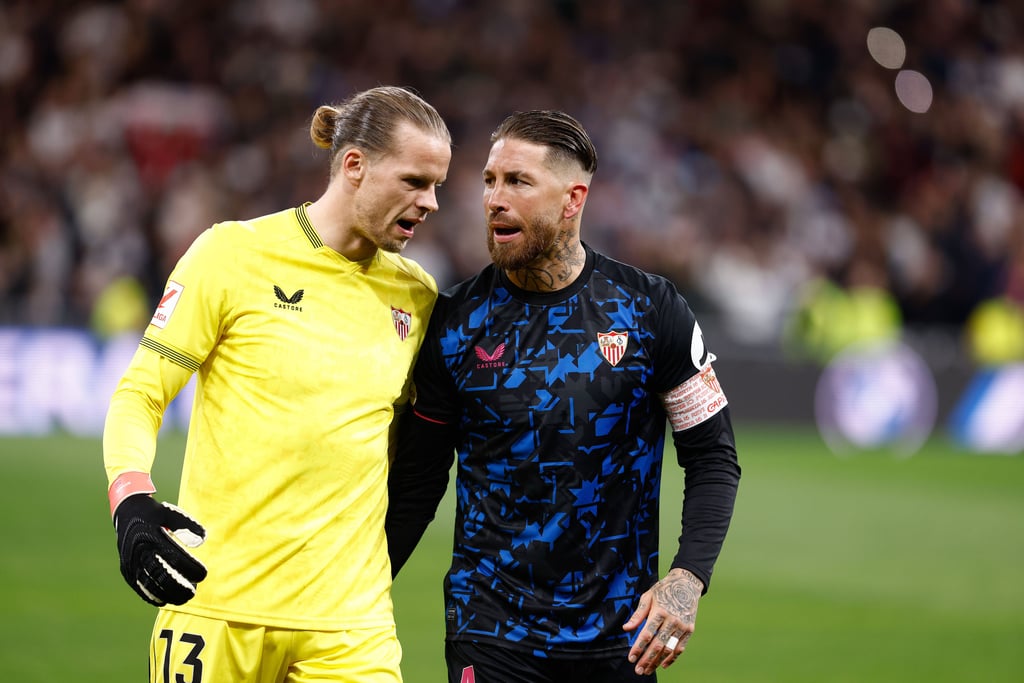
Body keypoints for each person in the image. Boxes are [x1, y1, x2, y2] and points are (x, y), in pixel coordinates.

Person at [103, 85, 451, 683]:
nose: (432, 202)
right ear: (354, 166)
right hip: (215, 607)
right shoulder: (230, 255)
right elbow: (141, 393)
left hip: (351, 626)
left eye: (437, 185)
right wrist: (131, 503)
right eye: (415, 181)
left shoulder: (416, 296)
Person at [385, 110, 741, 681]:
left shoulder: (650, 309)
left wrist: (688, 576)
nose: (494, 199)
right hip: (489, 634)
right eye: (489, 180)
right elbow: (417, 483)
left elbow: (713, 457)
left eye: (518, 182)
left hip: (620, 640)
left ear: (572, 199)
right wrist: (356, 590)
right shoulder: (454, 323)